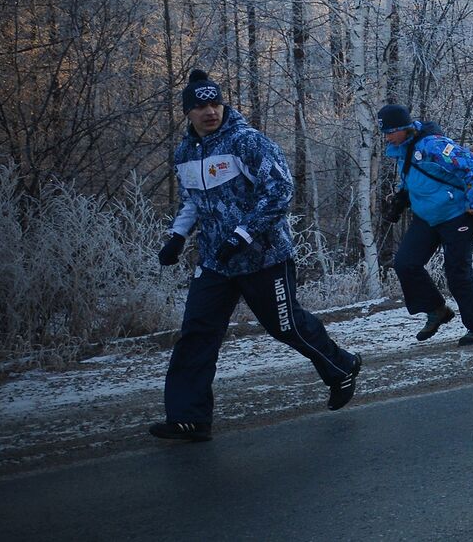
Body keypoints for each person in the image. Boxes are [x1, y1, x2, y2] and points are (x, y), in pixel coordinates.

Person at [151, 70, 362, 442]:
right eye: (200, 106)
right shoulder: (185, 152)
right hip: (216, 261)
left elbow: (279, 191)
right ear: (188, 112)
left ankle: (340, 366)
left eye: (214, 103)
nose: (209, 111)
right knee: (197, 334)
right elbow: (192, 202)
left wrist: (243, 235)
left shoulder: (247, 142)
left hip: (264, 256)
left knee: (286, 326)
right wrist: (177, 237)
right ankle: (190, 418)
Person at [378, 104, 473, 347]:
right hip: (427, 217)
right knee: (405, 263)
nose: (386, 136)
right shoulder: (401, 149)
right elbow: (417, 179)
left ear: (403, 128)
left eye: (389, 131)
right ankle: (437, 310)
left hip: (456, 215)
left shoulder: (433, 145)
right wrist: (401, 198)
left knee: (457, 273)